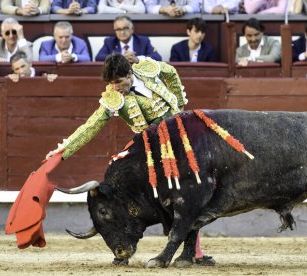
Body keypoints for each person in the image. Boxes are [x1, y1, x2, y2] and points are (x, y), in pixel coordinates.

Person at [45, 53, 214, 266]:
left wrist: (179, 104)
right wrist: (63, 151)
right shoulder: (113, 98)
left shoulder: (147, 70)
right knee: (125, 192)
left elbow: (171, 72)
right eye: (111, 83)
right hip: (150, 146)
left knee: (188, 191)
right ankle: (121, 247)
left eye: (118, 82)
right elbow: (91, 125)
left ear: (129, 74)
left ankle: (194, 252)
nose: (115, 87)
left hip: (181, 137)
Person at [95, 15, 162, 63]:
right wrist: (120, 57)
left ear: (132, 29)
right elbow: (99, 57)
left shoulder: (143, 41)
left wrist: (138, 59)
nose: (122, 32)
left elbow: (157, 57)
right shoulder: (109, 42)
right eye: (118, 29)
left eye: (125, 28)